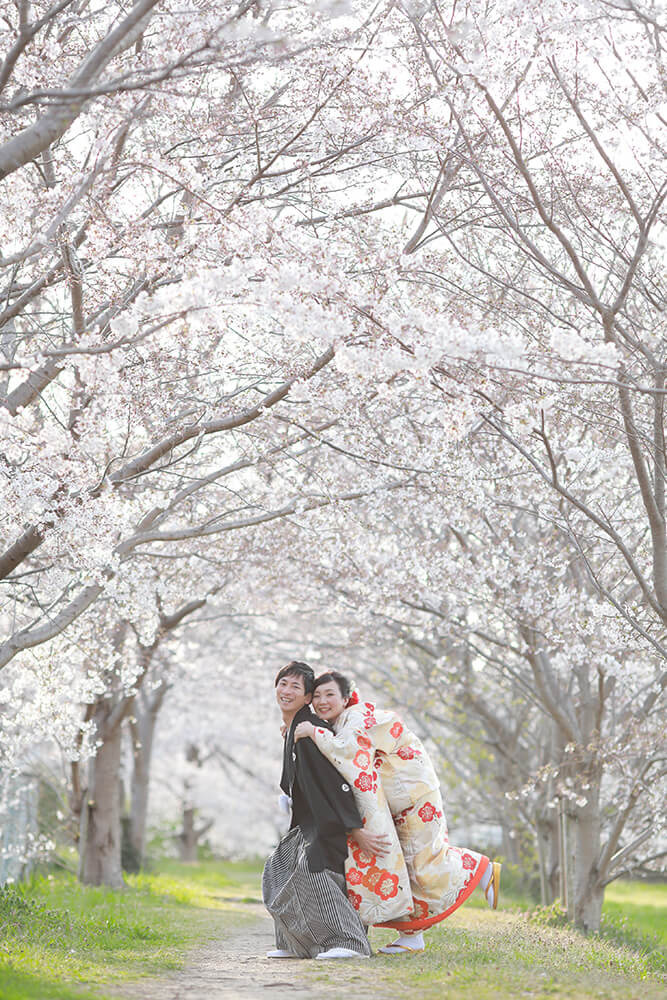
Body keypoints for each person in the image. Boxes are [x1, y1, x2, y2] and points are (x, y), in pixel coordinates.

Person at [294, 670, 501, 955]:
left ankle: (480, 867)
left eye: (329, 694)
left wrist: (312, 731)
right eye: (316, 696)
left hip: (415, 795)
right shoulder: (346, 719)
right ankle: (412, 937)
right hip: (403, 797)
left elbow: (350, 753)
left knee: (424, 863)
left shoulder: (356, 717)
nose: (322, 701)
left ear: (346, 697)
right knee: (408, 868)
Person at [262, 661, 383, 960]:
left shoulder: (310, 731)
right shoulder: (295, 728)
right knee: (277, 869)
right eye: (283, 684)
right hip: (309, 822)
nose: (286, 691)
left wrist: (355, 829)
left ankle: (350, 943)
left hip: (328, 822)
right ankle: (295, 944)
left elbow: (335, 784)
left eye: (296, 687)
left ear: (306, 698)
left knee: (311, 870)